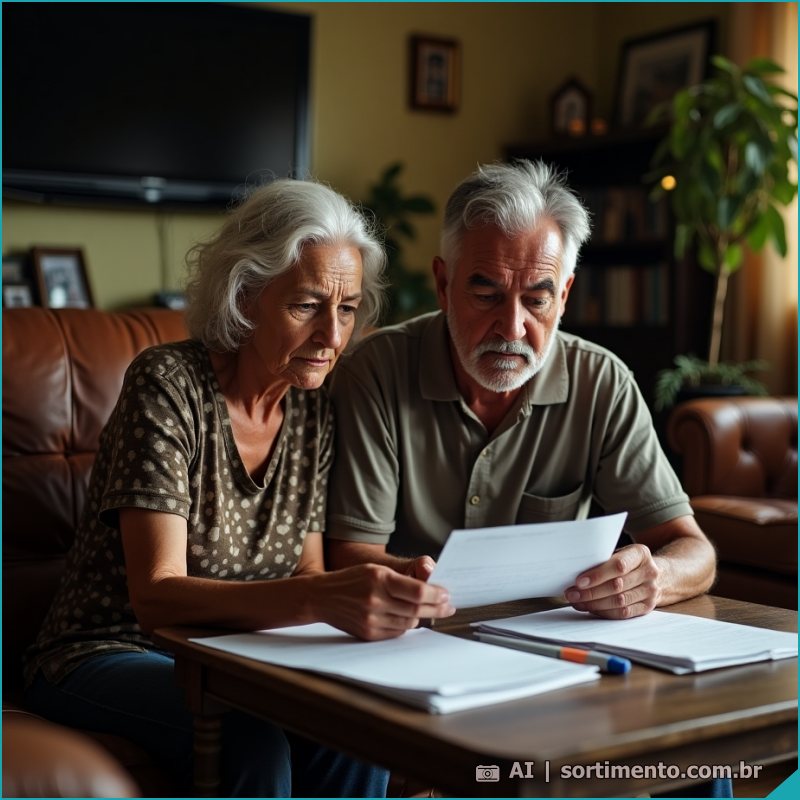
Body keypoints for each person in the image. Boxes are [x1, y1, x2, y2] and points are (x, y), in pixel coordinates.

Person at [24, 178, 454, 798]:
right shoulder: (168, 385)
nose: (333, 337)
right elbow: (156, 596)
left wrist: (384, 586)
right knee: (245, 735)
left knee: (356, 727)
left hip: (241, 659)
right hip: (106, 651)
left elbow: (309, 571)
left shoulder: (313, 410)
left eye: (348, 308)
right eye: (306, 306)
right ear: (245, 295)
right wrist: (323, 600)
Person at [327, 159, 728, 796]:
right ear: (443, 284)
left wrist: (655, 576)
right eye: (485, 293)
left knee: (698, 761)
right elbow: (349, 553)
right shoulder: (375, 372)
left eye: (537, 298)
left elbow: (694, 548)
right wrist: (416, 587)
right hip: (418, 652)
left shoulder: (601, 381)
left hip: (558, 655)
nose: (512, 328)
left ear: (564, 295)